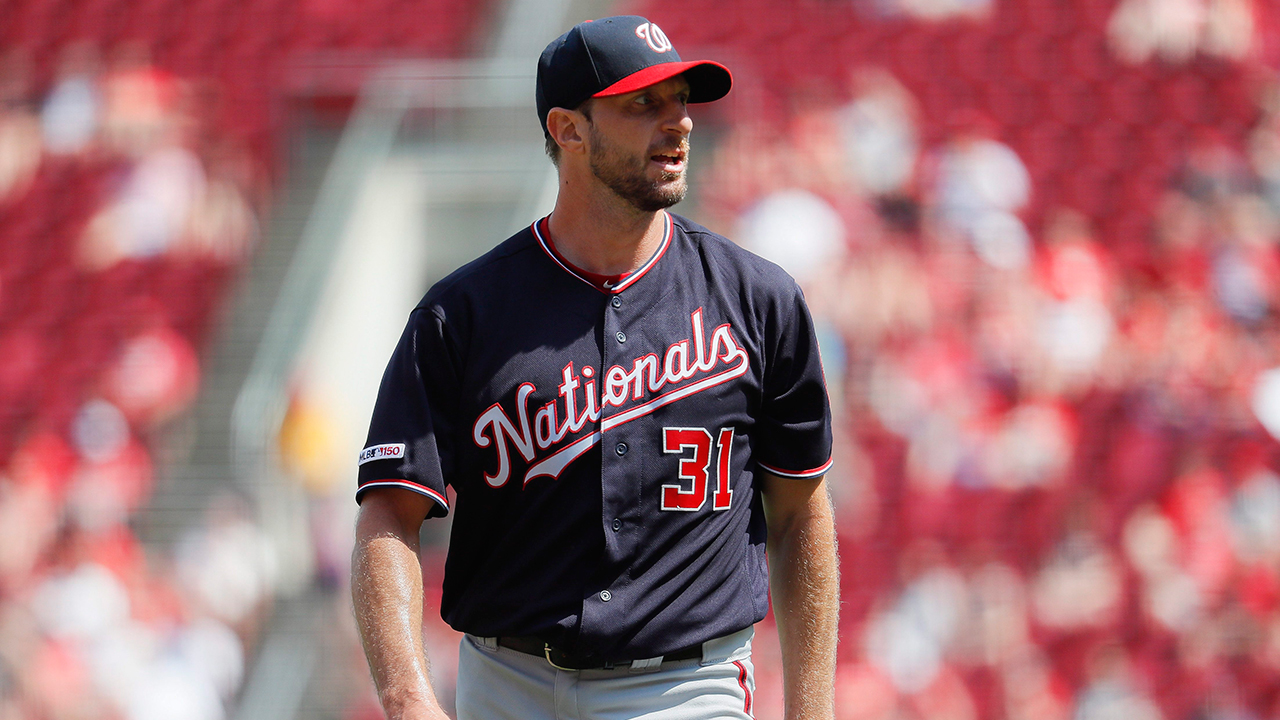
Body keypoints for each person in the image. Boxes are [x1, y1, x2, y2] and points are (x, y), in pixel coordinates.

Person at [351, 15, 839, 720]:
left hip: (685, 686)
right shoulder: (461, 315)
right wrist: (406, 697)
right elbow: (388, 517)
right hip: (505, 680)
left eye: (681, 100)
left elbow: (799, 514)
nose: (678, 124)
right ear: (568, 128)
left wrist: (812, 709)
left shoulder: (759, 299)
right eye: (643, 104)